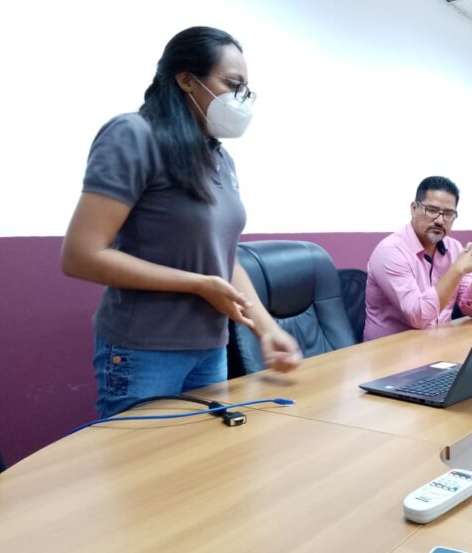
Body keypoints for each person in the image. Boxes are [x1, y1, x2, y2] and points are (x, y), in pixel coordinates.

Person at [61, 26, 302, 418]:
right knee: (141, 470)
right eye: (231, 84)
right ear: (187, 79)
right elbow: (81, 256)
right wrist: (197, 284)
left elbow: (223, 261)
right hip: (144, 349)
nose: (240, 99)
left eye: (246, 90)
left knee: (200, 468)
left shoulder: (219, 157)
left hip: (209, 347)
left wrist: (267, 329)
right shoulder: (133, 135)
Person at [363, 176, 472, 341]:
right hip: (390, 352)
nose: (440, 220)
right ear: (413, 208)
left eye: (448, 214)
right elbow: (419, 317)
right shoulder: (390, 252)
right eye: (431, 210)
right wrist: (457, 270)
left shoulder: (454, 248)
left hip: (437, 343)